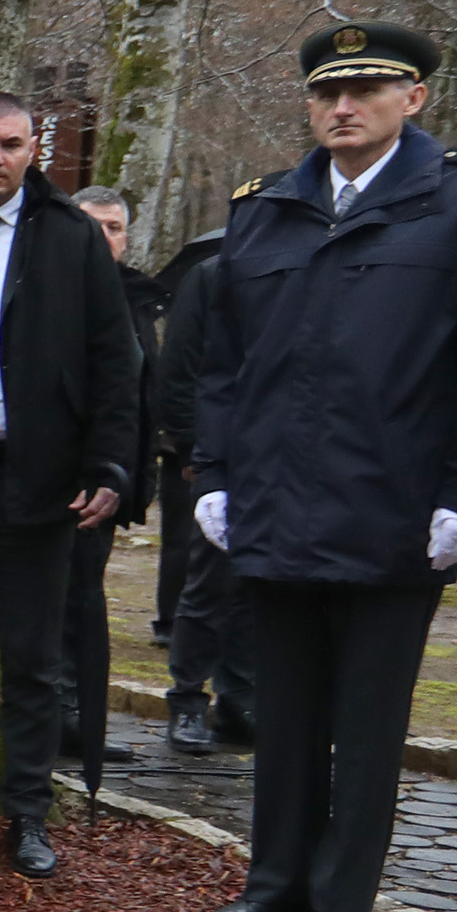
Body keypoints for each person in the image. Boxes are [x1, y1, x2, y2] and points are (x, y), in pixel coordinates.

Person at [190, 23, 457, 912]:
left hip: (397, 506)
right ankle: (275, 883)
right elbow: (224, 366)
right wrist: (213, 473)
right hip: (274, 502)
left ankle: (343, 897)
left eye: (369, 89)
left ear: (413, 98)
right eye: (327, 93)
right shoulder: (266, 209)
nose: (344, 107)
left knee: (368, 721)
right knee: (279, 712)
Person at [0, 92, 139, 873]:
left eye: (11, 145)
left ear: (33, 151)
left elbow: (112, 359)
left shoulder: (67, 239)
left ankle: (26, 812)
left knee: (32, 658)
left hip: (37, 479)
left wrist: (109, 465)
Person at [153, 220, 252, 750]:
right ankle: (187, 699)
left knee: (261, 588)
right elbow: (181, 369)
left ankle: (241, 699)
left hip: (283, 461)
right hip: (219, 460)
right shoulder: (212, 276)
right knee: (209, 583)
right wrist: (195, 451)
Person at [67, 184, 151, 778]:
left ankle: (78, 719)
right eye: (91, 225)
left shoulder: (141, 298)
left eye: (114, 228)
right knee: (60, 606)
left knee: (87, 603)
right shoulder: (50, 294)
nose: (104, 239)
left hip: (114, 482)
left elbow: (141, 395)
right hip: (62, 485)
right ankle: (58, 717)